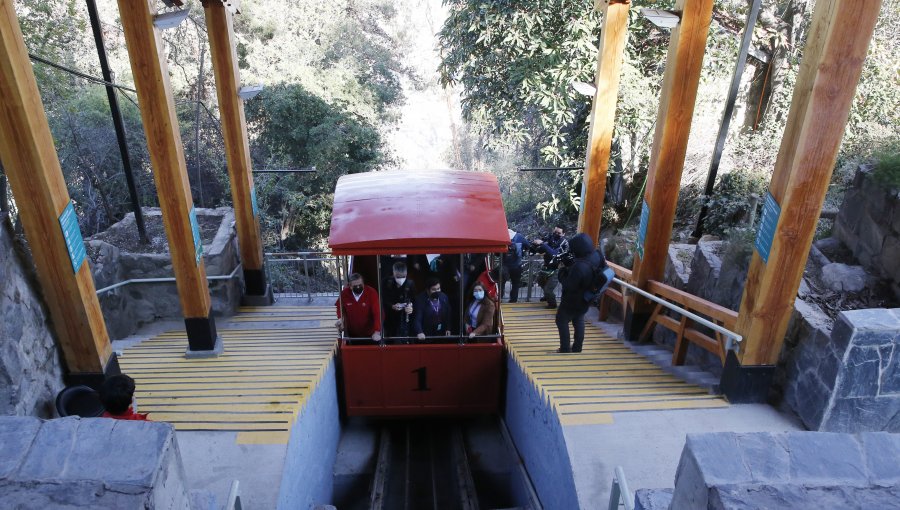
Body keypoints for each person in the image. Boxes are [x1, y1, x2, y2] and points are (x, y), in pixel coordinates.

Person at [556, 233, 602, 353]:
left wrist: (562, 271)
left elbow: (568, 284)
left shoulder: (579, 267)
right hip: (588, 296)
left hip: (573, 299)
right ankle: (577, 348)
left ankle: (565, 348)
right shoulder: (597, 255)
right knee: (578, 319)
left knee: (561, 320)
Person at [335, 273, 382, 341]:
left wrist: (377, 331)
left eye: (360, 285)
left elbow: (377, 312)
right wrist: (340, 318)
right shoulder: (344, 294)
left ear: (363, 284)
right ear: (350, 286)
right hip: (352, 333)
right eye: (355, 286)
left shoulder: (372, 293)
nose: (358, 287)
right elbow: (339, 307)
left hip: (370, 335)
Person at [531, 225, 569, 309]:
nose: (556, 234)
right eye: (555, 232)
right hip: (546, 265)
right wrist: (536, 245)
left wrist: (542, 244)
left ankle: (552, 304)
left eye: (559, 233)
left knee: (548, 289)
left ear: (563, 234)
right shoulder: (550, 238)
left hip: (557, 268)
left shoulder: (564, 243)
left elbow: (554, 254)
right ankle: (547, 296)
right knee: (540, 281)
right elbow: (541, 249)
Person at [381, 261, 416, 340]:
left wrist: (410, 306)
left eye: (403, 277)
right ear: (393, 273)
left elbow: (413, 299)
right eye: (398, 277)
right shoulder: (386, 282)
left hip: (404, 317)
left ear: (406, 273)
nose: (401, 280)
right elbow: (383, 299)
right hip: (389, 317)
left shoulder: (410, 283)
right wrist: (392, 306)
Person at [502, 228, 529, 302]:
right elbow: (528, 245)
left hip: (505, 265)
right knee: (515, 284)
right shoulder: (519, 236)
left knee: (501, 282)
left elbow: (497, 253)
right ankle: (513, 300)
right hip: (517, 265)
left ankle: (499, 298)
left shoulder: (502, 236)